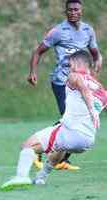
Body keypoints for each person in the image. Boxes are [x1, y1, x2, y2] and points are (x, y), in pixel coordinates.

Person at [1, 50, 106, 191]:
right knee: (60, 146)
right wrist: (94, 111)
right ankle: (41, 177)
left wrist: (91, 109)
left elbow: (82, 87)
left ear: (76, 62)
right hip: (87, 140)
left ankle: (21, 176)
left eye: (70, 64)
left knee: (27, 146)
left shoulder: (75, 76)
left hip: (71, 131)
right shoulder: (101, 89)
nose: (69, 67)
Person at [27, 0, 102, 170]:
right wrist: (33, 72)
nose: (73, 12)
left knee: (71, 120)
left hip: (81, 82)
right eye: (70, 10)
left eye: (76, 9)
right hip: (61, 81)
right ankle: (38, 151)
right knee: (67, 117)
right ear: (66, 12)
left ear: (81, 11)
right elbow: (38, 51)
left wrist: (98, 61)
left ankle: (62, 159)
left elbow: (95, 53)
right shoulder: (58, 31)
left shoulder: (88, 30)